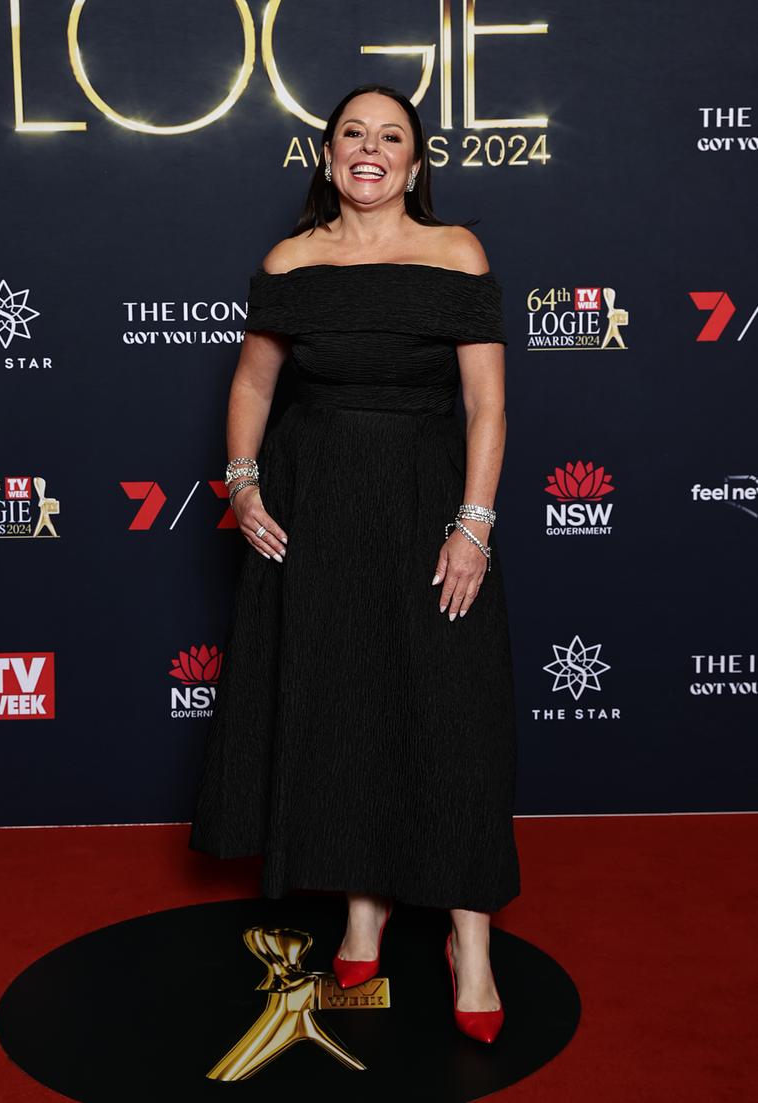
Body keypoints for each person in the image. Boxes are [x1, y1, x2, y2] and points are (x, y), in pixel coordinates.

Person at [189, 82, 520, 1044]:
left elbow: (488, 407)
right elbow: (254, 381)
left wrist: (474, 525)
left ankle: (473, 943)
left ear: (415, 165)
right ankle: (362, 911)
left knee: (449, 711)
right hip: (321, 508)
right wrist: (245, 486)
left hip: (428, 506)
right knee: (348, 704)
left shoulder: (455, 250)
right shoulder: (292, 260)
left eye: (391, 139)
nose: (368, 150)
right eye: (351, 135)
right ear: (328, 154)